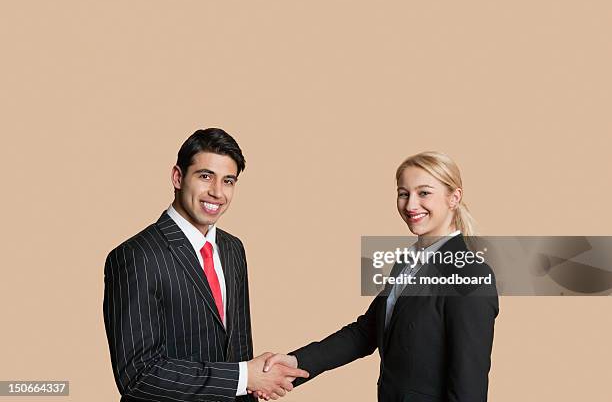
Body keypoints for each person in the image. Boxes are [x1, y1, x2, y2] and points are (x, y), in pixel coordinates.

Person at [259, 151, 499, 401]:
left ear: (454, 198)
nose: (410, 205)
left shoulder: (470, 275)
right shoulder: (408, 262)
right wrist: (293, 364)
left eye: (424, 193)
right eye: (403, 193)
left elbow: (468, 389)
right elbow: (365, 333)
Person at [103, 128, 308, 402]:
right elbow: (138, 376)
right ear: (178, 177)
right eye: (205, 176)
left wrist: (250, 381)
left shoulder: (233, 248)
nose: (217, 192)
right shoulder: (136, 255)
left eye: (228, 181)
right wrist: (244, 377)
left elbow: (240, 351)